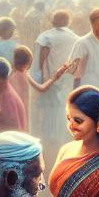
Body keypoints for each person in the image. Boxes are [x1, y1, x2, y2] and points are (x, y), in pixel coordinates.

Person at [32, 10, 80, 151]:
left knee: (49, 113)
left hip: (50, 81)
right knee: (64, 110)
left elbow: (41, 59)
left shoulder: (46, 37)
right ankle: (62, 142)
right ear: (68, 21)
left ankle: (49, 143)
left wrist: (41, 75)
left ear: (53, 21)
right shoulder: (76, 38)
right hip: (67, 81)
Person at [70, 7, 99, 99]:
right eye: (98, 24)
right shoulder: (82, 43)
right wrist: (75, 98)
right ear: (91, 24)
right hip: (88, 96)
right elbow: (74, 73)